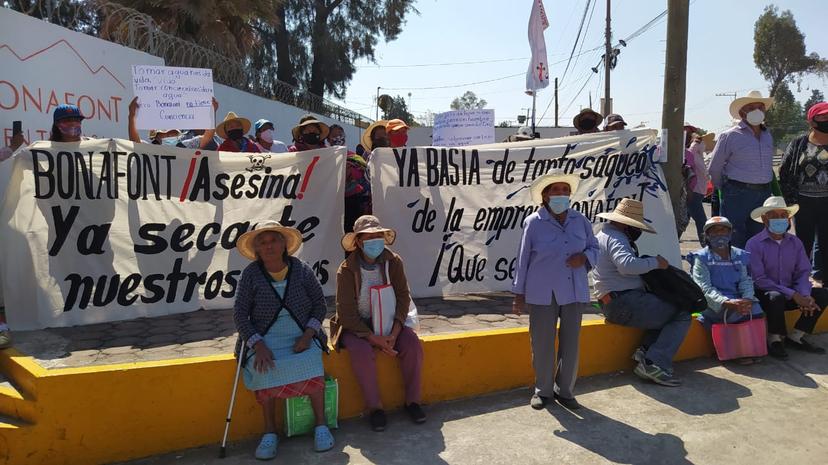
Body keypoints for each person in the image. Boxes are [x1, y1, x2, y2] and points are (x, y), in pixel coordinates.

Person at [233, 221, 334, 459]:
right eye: (263, 243)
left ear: (284, 244)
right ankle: (270, 431)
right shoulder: (250, 275)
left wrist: (308, 336)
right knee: (263, 368)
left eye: (274, 241)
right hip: (265, 338)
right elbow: (239, 314)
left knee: (312, 364)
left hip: (302, 335)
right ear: (257, 249)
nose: (269, 247)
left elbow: (320, 305)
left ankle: (321, 425)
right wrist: (258, 345)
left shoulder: (301, 269)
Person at [512, 173, 598, 410]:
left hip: (574, 290)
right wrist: (519, 295)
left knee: (571, 345)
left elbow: (594, 247)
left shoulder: (580, 220)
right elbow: (522, 260)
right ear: (545, 195)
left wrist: (585, 257)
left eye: (564, 190)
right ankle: (543, 391)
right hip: (542, 292)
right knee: (541, 343)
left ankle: (566, 391)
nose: (561, 194)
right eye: (555, 190)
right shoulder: (533, 222)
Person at [331, 215, 425, 431]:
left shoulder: (394, 262)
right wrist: (376, 339)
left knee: (411, 343)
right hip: (357, 326)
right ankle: (375, 408)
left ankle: (413, 402)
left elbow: (403, 297)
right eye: (368, 237)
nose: (374, 240)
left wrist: (394, 333)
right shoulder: (346, 270)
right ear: (358, 242)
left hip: (391, 321)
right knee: (361, 351)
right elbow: (346, 313)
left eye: (377, 235)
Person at [592, 198, 690, 387]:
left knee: (662, 306)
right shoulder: (617, 238)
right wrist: (656, 262)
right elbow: (627, 265)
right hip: (623, 301)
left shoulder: (603, 234)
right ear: (624, 224)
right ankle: (655, 363)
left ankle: (646, 351)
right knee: (682, 313)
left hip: (614, 301)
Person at [746, 196, 828, 359]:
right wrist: (795, 295)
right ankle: (774, 339)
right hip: (765, 293)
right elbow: (760, 280)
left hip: (792, 291)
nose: (779, 219)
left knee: (823, 294)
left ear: (788, 218)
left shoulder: (795, 243)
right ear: (764, 219)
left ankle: (797, 335)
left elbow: (803, 271)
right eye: (774, 215)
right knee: (775, 297)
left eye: (783, 215)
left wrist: (804, 294)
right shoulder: (754, 244)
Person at [689, 217, 765, 362]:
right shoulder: (701, 258)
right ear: (707, 235)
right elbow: (704, 288)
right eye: (714, 231)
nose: (719, 234)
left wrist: (747, 298)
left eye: (723, 230)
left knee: (756, 309)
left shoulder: (738, 255)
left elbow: (745, 280)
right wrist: (725, 302)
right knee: (734, 313)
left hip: (737, 299)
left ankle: (750, 347)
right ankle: (736, 351)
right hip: (713, 303)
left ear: (730, 234)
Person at [708, 91, 775, 248]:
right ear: (742, 112)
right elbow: (714, 168)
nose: (757, 110)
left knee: (759, 237)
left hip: (764, 193)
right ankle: (736, 271)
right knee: (734, 237)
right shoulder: (730, 135)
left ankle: (753, 271)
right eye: (751, 107)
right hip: (737, 192)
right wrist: (724, 188)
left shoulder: (768, 135)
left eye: (760, 107)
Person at [779, 102, 828, 282]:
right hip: (803, 202)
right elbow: (785, 171)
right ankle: (800, 281)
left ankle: (824, 284)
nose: (826, 120)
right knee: (802, 243)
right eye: (822, 117)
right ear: (811, 120)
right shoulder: (799, 143)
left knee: (826, 244)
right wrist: (789, 203)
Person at [685, 129, 710, 243]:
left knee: (684, 220)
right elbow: (688, 160)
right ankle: (706, 246)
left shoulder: (698, 155)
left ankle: (669, 246)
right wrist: (695, 144)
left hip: (697, 191)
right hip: (692, 191)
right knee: (701, 221)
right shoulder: (689, 152)